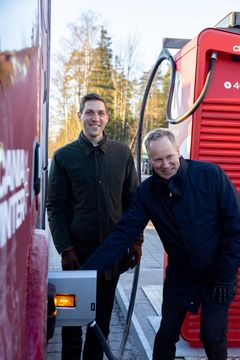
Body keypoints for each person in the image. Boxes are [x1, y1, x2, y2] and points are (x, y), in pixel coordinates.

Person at [81, 127, 240, 360]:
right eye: (157, 160)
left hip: (218, 274)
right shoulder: (147, 192)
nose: (165, 164)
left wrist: (226, 276)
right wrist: (87, 272)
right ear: (149, 159)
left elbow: (236, 227)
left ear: (178, 150)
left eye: (169, 157)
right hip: (181, 276)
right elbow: (123, 233)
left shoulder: (211, 175)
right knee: (166, 334)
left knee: (212, 336)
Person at [47, 93, 143, 360]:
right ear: (79, 116)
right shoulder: (64, 157)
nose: (95, 118)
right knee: (73, 322)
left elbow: (133, 202)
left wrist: (136, 241)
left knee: (101, 321)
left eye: (100, 113)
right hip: (78, 257)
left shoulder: (122, 153)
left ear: (107, 117)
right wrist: (65, 249)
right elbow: (55, 207)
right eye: (89, 112)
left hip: (112, 256)